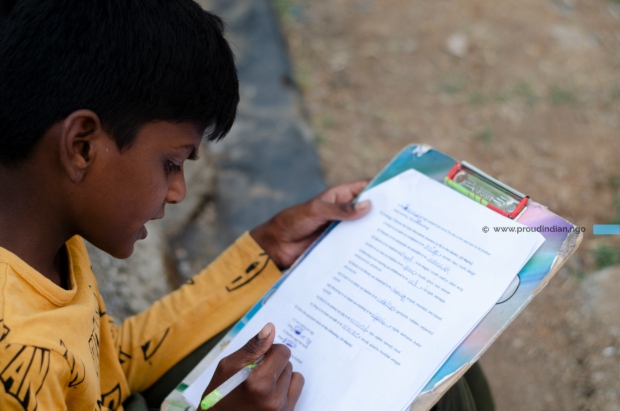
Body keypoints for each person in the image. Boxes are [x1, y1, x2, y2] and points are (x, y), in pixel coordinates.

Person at [0, 1, 494, 410]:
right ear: (82, 146)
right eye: (172, 163)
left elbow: (110, 370)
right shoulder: (18, 358)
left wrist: (265, 249)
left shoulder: (43, 234)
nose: (178, 193)